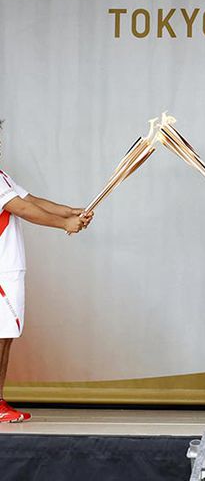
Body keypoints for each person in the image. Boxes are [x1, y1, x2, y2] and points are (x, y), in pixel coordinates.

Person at [0, 119, 93, 423]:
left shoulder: (2, 176)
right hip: (1, 273)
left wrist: (70, 211)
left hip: (9, 270)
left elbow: (30, 199)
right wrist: (64, 224)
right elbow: (23, 210)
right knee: (0, 337)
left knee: (6, 336)